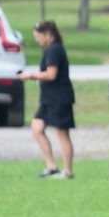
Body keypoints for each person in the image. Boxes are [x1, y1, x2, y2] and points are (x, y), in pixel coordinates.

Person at [18, 20, 75, 179]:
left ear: (48, 35)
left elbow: (51, 74)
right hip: (48, 99)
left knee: (62, 134)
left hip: (59, 98)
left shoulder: (55, 50)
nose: (37, 40)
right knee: (37, 128)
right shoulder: (50, 50)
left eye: (38, 36)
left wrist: (30, 76)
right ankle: (51, 167)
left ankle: (68, 172)